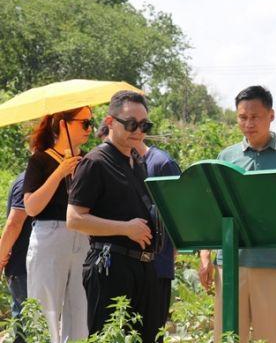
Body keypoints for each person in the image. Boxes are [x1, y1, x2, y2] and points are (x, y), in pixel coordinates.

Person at [198, 85, 276, 343]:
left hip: (273, 262)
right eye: (242, 117)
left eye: (255, 117)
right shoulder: (226, 156)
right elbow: (215, 210)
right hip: (229, 264)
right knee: (227, 336)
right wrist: (205, 255)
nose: (248, 123)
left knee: (273, 337)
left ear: (271, 115)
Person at [66, 91, 160, 343]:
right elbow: (74, 219)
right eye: (131, 123)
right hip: (110, 266)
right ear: (109, 122)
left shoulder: (137, 161)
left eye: (144, 125)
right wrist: (125, 228)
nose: (138, 130)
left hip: (143, 266)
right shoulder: (95, 162)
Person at [97, 119, 181, 330]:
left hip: (157, 266)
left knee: (151, 331)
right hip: (127, 267)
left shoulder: (161, 163)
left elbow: (177, 214)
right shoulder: (119, 166)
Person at [23, 107, 93, 343]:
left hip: (83, 236)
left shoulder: (89, 160)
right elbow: (31, 207)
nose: (90, 129)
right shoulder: (40, 160)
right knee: (45, 310)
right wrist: (60, 171)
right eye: (84, 123)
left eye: (91, 123)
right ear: (64, 124)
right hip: (49, 234)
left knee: (81, 313)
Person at [0, 172, 31, 343]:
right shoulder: (28, 181)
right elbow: (14, 223)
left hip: (24, 267)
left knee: (22, 326)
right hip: (24, 268)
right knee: (29, 326)